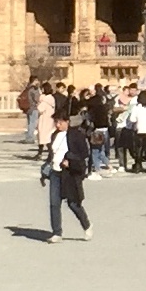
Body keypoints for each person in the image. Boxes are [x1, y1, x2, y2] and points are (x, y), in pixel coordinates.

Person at [49, 102, 93, 240]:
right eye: (56, 122)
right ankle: (57, 232)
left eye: (60, 122)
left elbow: (84, 154)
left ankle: (87, 225)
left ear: (67, 121)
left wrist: (71, 162)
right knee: (54, 203)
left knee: (73, 203)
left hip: (69, 173)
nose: (57, 125)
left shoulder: (76, 135)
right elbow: (51, 154)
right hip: (55, 172)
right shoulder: (54, 135)